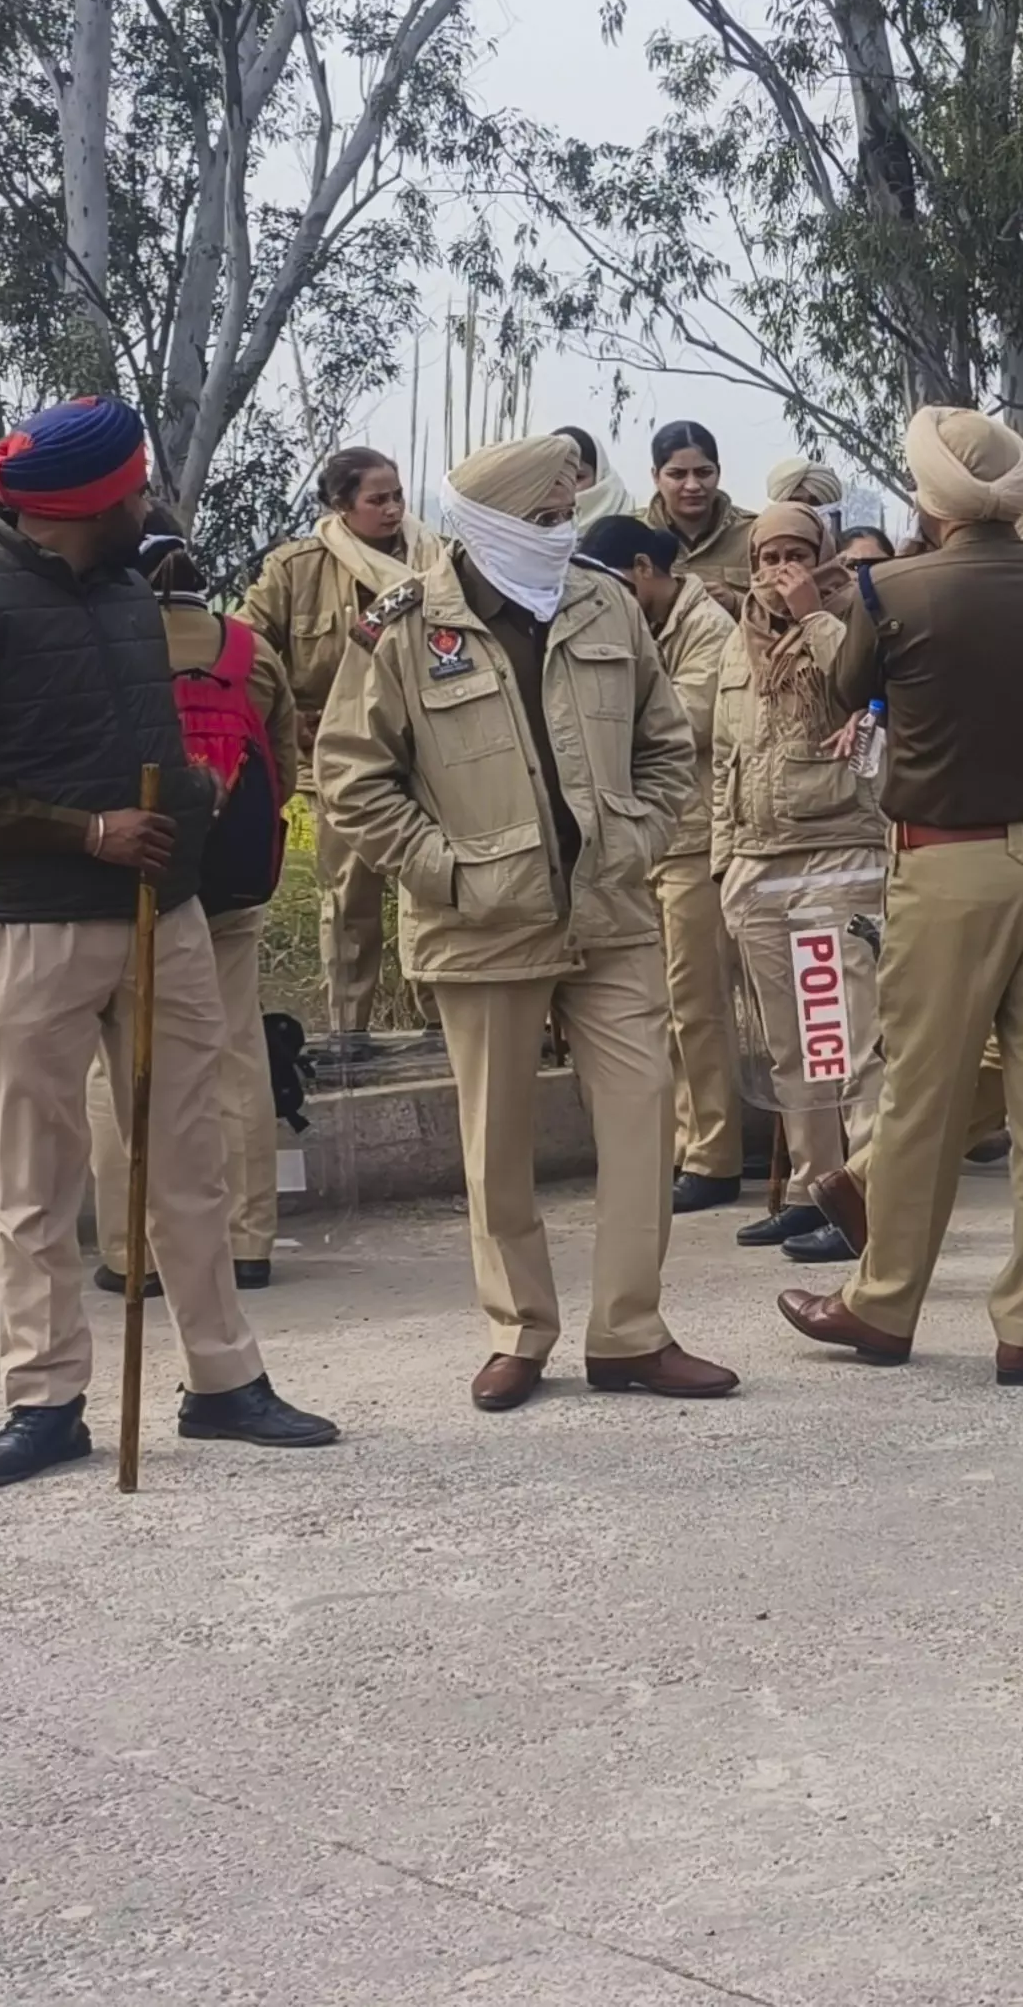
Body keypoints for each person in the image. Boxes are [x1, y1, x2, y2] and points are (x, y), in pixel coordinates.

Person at [0, 397, 337, 1488]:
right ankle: (44, 1401)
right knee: (38, 1177)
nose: (147, 502)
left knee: (190, 1157)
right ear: (87, 502)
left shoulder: (133, 587)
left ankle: (225, 1379)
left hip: (161, 913)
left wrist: (190, 794)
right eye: (132, 488)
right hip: (28, 924)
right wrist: (83, 831)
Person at [316, 435, 736, 1411]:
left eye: (569, 519)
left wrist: (632, 838)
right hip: (479, 922)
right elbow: (351, 777)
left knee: (641, 1121)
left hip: (610, 908)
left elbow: (668, 743)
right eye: (547, 520)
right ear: (495, 524)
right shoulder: (407, 625)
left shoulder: (603, 603)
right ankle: (518, 1330)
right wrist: (445, 870)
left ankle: (630, 1332)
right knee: (497, 1143)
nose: (565, 534)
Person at [776, 415, 1023, 1384]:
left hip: (948, 860)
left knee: (923, 1093)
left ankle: (883, 1305)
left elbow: (849, 689)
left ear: (931, 500)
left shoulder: (896, 589)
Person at [93, 527, 292, 1295]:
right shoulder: (248, 649)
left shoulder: (107, 645)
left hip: (134, 876)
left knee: (121, 1059)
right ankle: (248, 1242)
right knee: (236, 1050)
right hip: (232, 882)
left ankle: (129, 1249)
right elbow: (286, 764)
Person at [690, 503, 887, 1270]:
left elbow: (863, 697)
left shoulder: (857, 618)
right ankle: (811, 1190)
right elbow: (724, 759)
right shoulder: (736, 640)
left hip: (838, 857)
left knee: (850, 1043)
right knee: (792, 1049)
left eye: (796, 553)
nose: (781, 569)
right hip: (760, 866)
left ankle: (865, 1195)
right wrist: (724, 862)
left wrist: (813, 615)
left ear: (823, 555)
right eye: (767, 555)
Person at [588, 515, 754, 1217]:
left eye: (617, 586)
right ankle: (685, 1143)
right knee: (653, 1007)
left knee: (697, 1005)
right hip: (645, 841)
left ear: (645, 572)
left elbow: (686, 723)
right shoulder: (638, 624)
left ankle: (714, 1155)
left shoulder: (707, 629)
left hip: (695, 839)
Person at [243, 447, 423, 1042]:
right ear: (340, 506)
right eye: (377, 500)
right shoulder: (295, 571)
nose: (393, 509)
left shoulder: (437, 562)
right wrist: (286, 715)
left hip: (428, 759)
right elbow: (244, 650)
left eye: (397, 496)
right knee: (350, 902)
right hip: (340, 762)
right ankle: (350, 1034)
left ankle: (443, 1026)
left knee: (432, 894)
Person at [648, 420, 748, 594]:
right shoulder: (632, 535)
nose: (692, 486)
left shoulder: (754, 535)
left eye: (704, 473)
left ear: (718, 472)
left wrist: (736, 603)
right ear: (656, 476)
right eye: (677, 475)